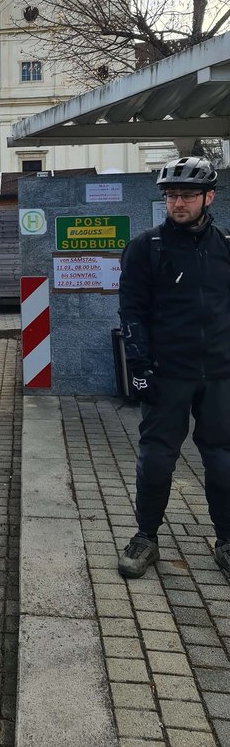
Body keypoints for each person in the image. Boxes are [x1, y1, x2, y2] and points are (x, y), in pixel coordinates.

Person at [117, 155, 230, 579]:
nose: (178, 203)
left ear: (208, 196)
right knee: (157, 458)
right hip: (169, 374)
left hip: (219, 374)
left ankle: (226, 541)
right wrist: (139, 367)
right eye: (171, 196)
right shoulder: (147, 247)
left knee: (222, 459)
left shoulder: (226, 247)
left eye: (187, 195)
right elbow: (131, 311)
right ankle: (146, 538)